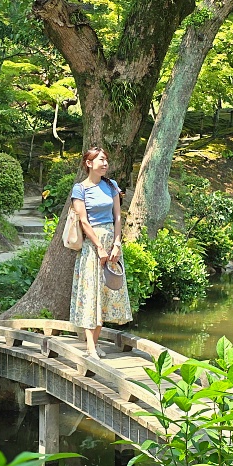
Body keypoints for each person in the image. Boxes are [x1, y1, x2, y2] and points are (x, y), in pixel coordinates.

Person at [69, 147, 132, 357]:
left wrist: (116, 244)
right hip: (92, 246)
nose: (105, 164)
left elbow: (117, 217)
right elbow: (83, 221)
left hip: (111, 244)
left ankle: (95, 344)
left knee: (104, 294)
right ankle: (90, 347)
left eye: (106, 160)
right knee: (91, 293)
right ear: (89, 163)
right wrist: (99, 247)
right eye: (101, 160)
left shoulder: (111, 185)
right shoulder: (80, 189)